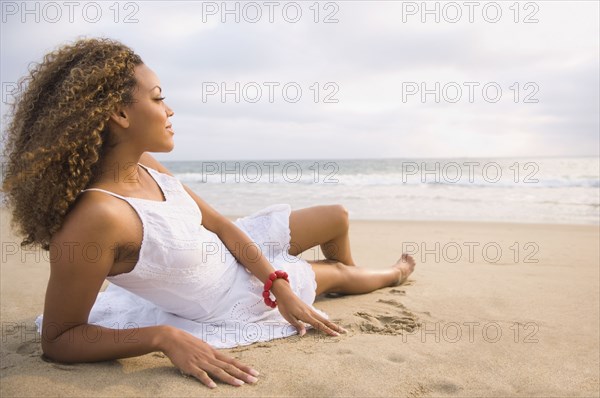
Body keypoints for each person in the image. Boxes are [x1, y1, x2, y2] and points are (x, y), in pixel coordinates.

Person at [1, 37, 416, 389]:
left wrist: (279, 283)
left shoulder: (145, 164)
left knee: (337, 216)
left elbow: (217, 224)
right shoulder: (99, 218)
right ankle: (391, 274)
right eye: (159, 98)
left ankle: (321, 279)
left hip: (233, 247)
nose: (170, 110)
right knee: (337, 275)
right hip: (229, 296)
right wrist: (164, 337)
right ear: (120, 114)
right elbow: (58, 340)